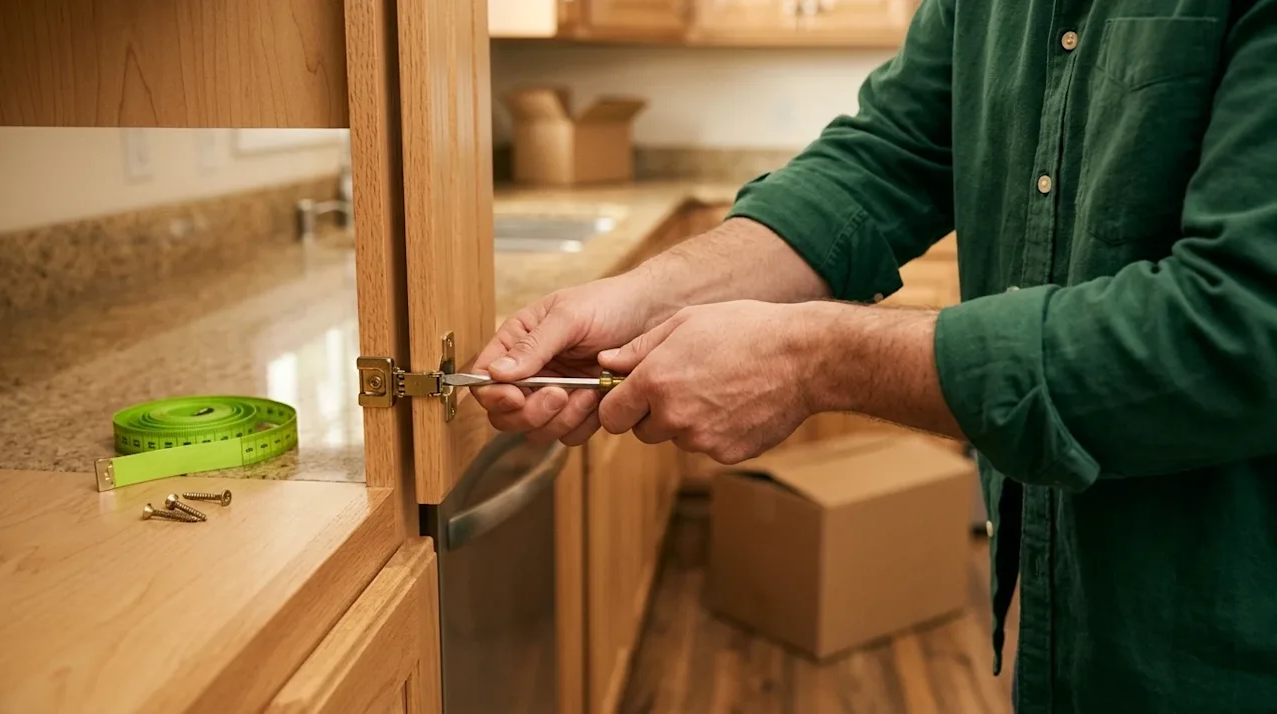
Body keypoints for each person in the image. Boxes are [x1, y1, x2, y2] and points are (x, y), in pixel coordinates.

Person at [472, 0, 1277, 711]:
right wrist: (647, 294)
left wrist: (814, 357)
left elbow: (1245, 325)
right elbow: (887, 157)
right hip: (1079, 628)